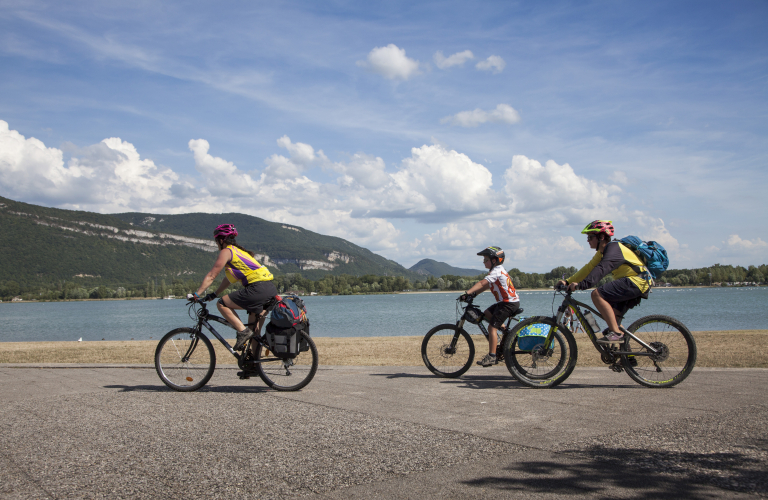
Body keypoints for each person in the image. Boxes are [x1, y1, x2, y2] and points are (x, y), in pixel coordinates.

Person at [557, 220, 650, 343]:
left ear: (601, 237)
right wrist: (568, 282)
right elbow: (589, 268)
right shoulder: (602, 252)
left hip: (636, 281)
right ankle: (627, 358)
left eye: (590, 237)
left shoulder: (614, 249)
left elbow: (601, 270)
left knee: (596, 294)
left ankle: (616, 333)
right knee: (615, 323)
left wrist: (582, 285)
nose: (587, 240)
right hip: (633, 283)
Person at [192, 224, 278, 351]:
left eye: (216, 241)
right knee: (255, 332)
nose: (217, 244)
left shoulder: (226, 251)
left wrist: (197, 294)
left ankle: (242, 331)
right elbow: (228, 279)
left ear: (221, 240)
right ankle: (253, 367)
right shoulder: (240, 252)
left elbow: (211, 275)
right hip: (269, 289)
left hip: (257, 289)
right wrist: (215, 293)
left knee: (222, 304)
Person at [459, 246, 521, 367]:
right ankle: (505, 332)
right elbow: (486, 286)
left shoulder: (497, 270)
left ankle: (492, 356)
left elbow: (482, 283)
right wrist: (474, 294)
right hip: (506, 302)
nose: (483, 262)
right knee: (487, 313)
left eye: (485, 260)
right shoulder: (496, 271)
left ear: (494, 260)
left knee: (492, 328)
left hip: (508, 303)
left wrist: (467, 293)